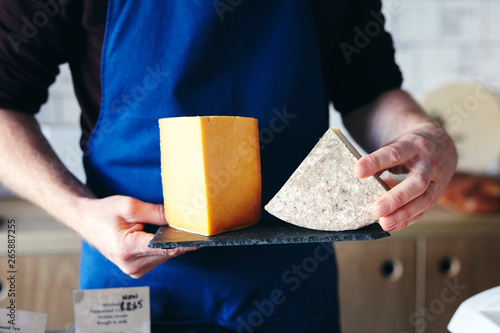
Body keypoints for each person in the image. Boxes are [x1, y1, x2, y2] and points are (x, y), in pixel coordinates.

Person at [0, 0, 457, 332]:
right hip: (128, 282)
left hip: (290, 283)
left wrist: (424, 133)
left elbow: (370, 90)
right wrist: (79, 211)